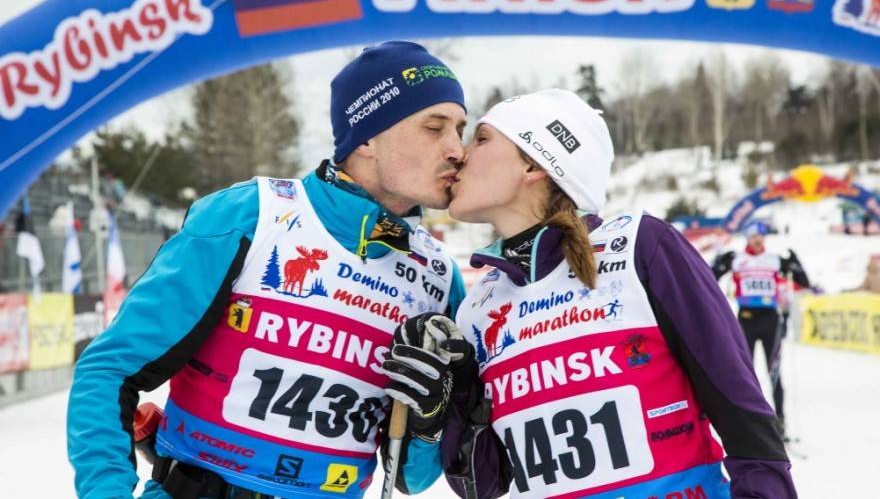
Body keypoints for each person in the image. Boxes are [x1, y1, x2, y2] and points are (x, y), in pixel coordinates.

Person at [67, 41, 470, 498]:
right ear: (367, 138)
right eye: (434, 127)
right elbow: (110, 370)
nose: (457, 149)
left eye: (460, 129)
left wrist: (429, 421)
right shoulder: (251, 216)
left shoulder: (438, 276)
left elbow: (410, 478)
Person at [391, 89, 796, 498]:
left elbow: (743, 416)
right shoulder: (480, 306)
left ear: (534, 164)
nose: (461, 154)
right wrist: (455, 396)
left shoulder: (639, 247)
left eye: (481, 138)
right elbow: (485, 485)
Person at [710, 222, 811, 439]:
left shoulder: (774, 260)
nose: (758, 240)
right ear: (747, 238)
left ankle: (780, 423)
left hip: (770, 321)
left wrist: (796, 264)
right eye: (754, 236)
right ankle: (747, 422)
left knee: (774, 372)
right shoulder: (737, 259)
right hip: (745, 320)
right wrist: (718, 263)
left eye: (761, 236)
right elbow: (709, 278)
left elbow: (804, 282)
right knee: (744, 374)